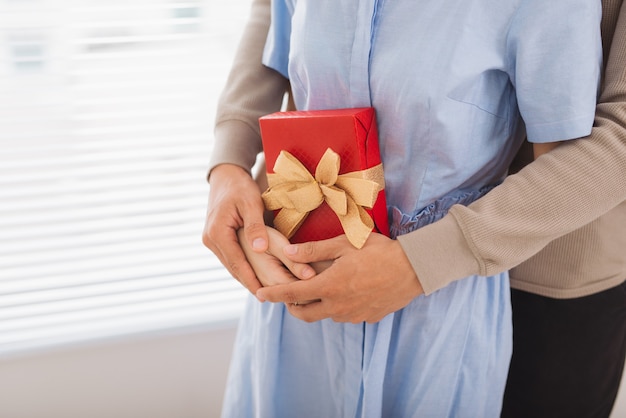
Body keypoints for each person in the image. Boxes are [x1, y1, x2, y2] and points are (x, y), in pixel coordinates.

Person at [204, 1, 603, 416]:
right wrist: (229, 169)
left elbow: (567, 167)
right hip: (298, 289)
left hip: (436, 303)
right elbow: (276, 55)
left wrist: (423, 260)